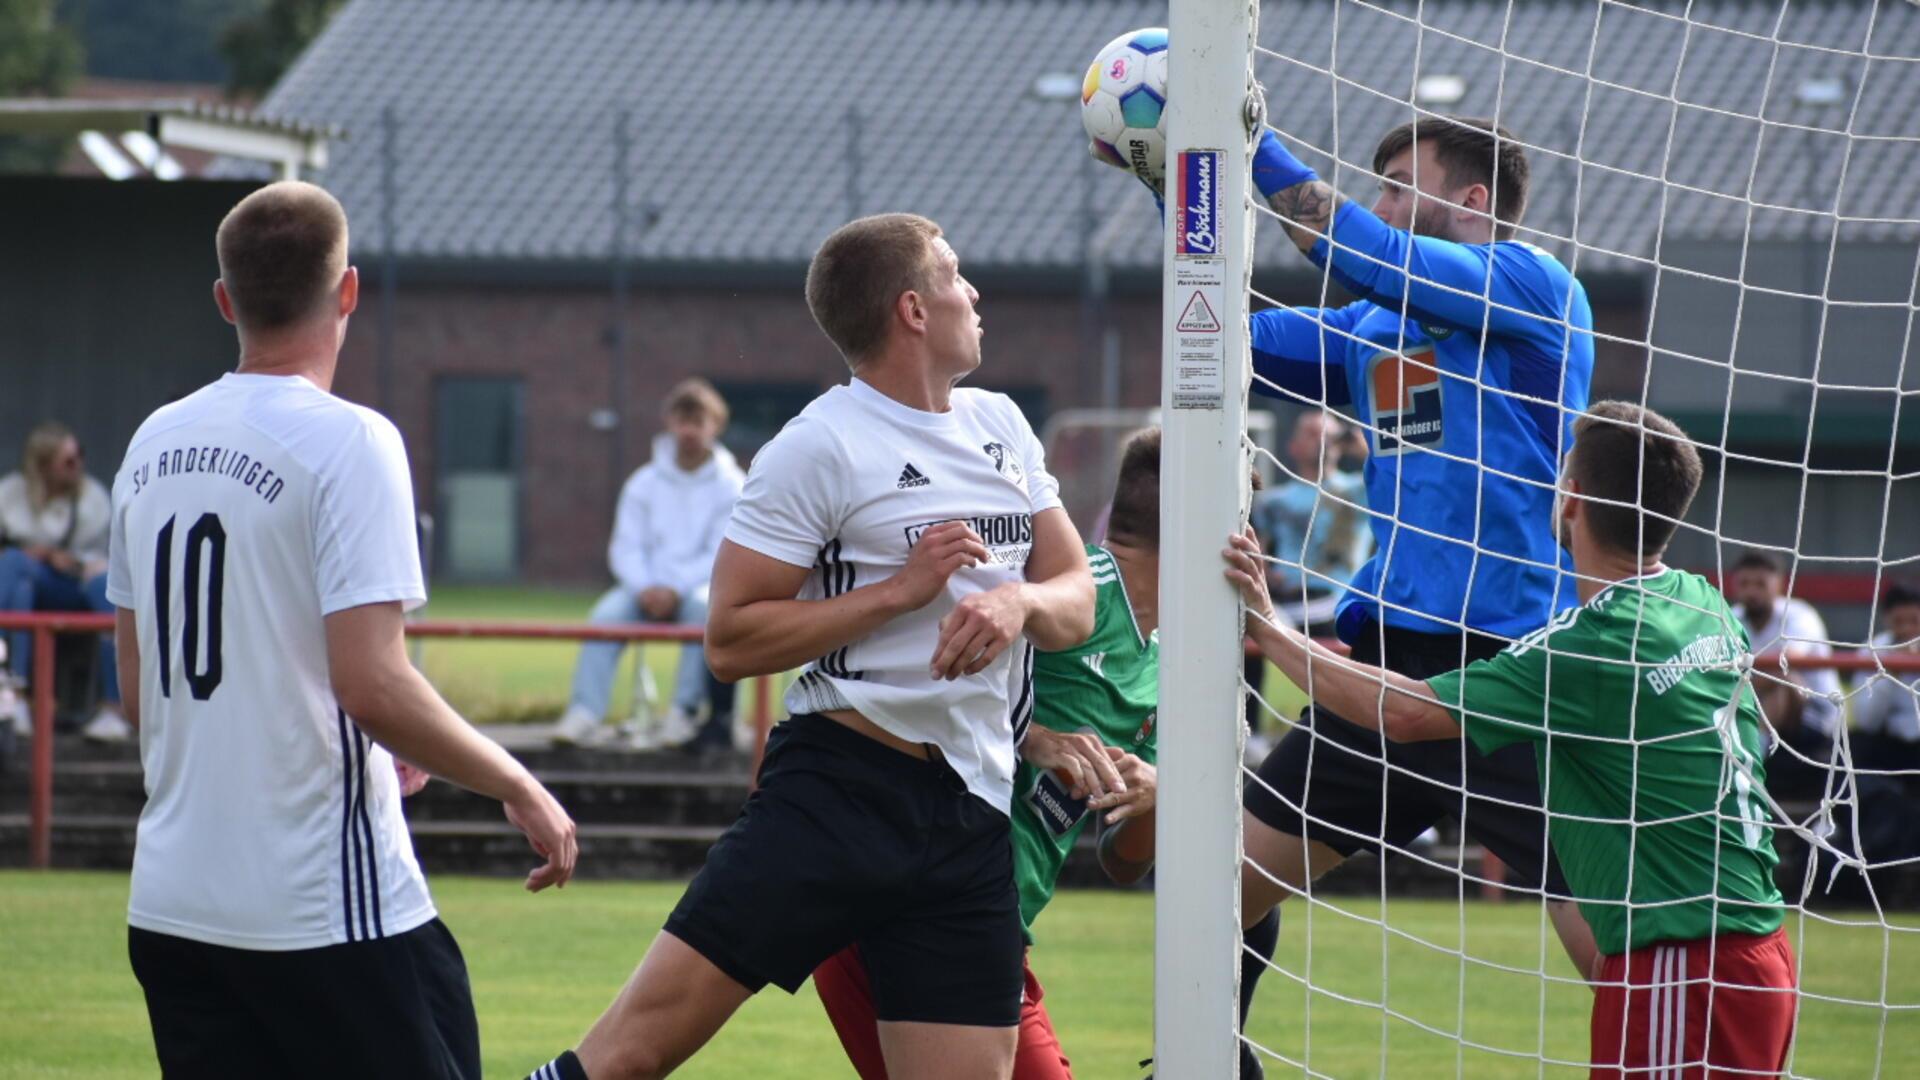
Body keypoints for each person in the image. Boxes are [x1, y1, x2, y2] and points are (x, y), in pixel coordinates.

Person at [525, 213, 1119, 1080]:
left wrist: (1017, 602)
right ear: (913, 309)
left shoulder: (1004, 427)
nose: (975, 292)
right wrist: (897, 593)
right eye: (956, 276)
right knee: (627, 1054)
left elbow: (1079, 597)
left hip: (970, 811)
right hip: (837, 790)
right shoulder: (817, 447)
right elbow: (729, 639)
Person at [1118, 114, 1603, 1031]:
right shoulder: (1374, 325)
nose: (1377, 202)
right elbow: (1225, 334)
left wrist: (1238, 136)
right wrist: (1181, 191)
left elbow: (1370, 248)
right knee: (1217, 893)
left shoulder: (1534, 287)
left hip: (1512, 679)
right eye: (1373, 184)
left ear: (1472, 203)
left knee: (1615, 954)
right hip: (1382, 676)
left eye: (1396, 183)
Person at [107, 181, 578, 1077]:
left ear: (224, 300)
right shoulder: (351, 441)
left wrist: (368, 731)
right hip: (318, 906)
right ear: (349, 290)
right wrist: (516, 781)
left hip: (172, 906)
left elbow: (142, 692)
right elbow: (373, 682)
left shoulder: (149, 444)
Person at [1224, 400, 1796, 1078]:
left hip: (1683, 965)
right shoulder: (1699, 602)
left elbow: (1406, 715)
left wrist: (1264, 620)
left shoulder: (1593, 647)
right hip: (1753, 951)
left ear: (1573, 500)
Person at [811, 426, 1170, 1080]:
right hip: (912, 912)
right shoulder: (1073, 588)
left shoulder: (1170, 653)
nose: (1254, 545)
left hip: (982, 932)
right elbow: (904, 669)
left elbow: (1122, 863)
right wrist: (1029, 732)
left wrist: (1155, 794)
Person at [553, 379, 745, 752]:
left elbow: (722, 552)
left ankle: (681, 714)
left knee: (704, 611)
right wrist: (645, 588)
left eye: (699, 421)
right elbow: (625, 548)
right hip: (641, 588)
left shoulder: (732, 486)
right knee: (605, 616)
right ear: (668, 422)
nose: (689, 431)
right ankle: (584, 714)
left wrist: (674, 588)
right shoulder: (643, 483)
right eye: (682, 420)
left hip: (696, 589)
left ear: (716, 424)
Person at [0, 421, 125, 741]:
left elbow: (100, 559)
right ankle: (16, 697)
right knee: (17, 577)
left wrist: (70, 562)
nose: (78, 466)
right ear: (44, 464)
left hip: (76, 586)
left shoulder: (92, 498)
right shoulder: (12, 494)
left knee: (106, 588)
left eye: (79, 456)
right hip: (29, 584)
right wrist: (39, 554)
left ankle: (115, 709)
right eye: (68, 460)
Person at [1727, 549, 1841, 800]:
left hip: (1814, 715)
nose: (1752, 591)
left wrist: (1741, 682)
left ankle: (1751, 758)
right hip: (1752, 705)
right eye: (1745, 583)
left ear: (1779, 585)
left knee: (1783, 680)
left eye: (1760, 584)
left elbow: (1785, 663)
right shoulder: (1731, 618)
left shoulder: (1800, 614)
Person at [1250, 410, 1370, 636]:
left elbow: (1392, 474)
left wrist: (1359, 445)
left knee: (1264, 621)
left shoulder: (1359, 490)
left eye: (1329, 433)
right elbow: (1260, 549)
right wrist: (1266, 574)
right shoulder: (1273, 501)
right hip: (1287, 596)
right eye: (1313, 433)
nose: (1322, 439)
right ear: (1293, 446)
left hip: (1338, 599)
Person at [1854, 581, 1920, 773]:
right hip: (1888, 744)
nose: (1907, 630)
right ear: (1886, 620)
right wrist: (1891, 671)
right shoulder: (1872, 650)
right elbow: (1866, 721)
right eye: (1899, 622)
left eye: (1915, 621)